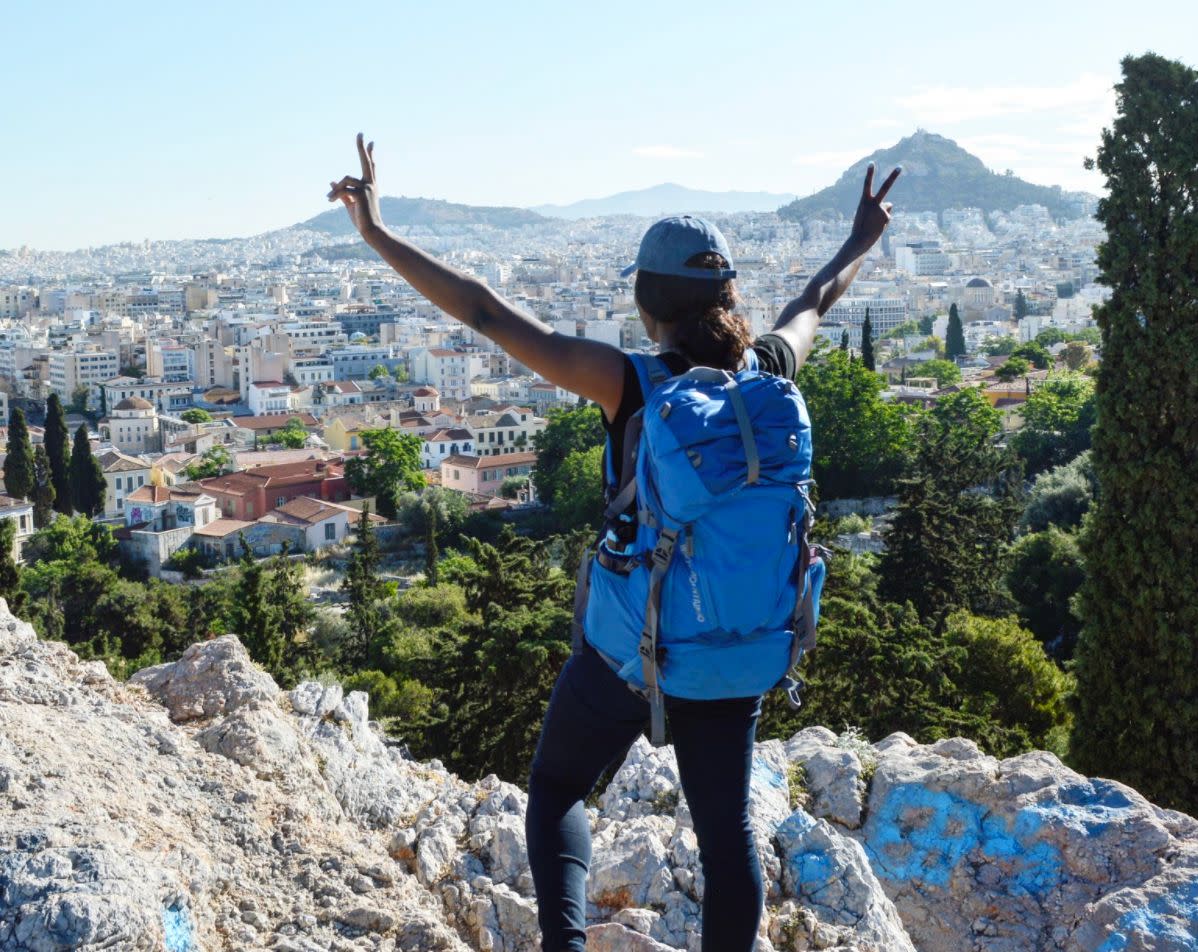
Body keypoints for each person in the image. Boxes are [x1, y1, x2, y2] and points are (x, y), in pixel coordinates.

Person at [329, 134, 899, 952]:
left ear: (646, 304)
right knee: (727, 832)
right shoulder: (770, 373)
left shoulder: (631, 383)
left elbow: (486, 310)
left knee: (559, 783)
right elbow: (814, 300)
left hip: (630, 652)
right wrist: (860, 239)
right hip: (737, 649)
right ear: (729, 298)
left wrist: (377, 232)